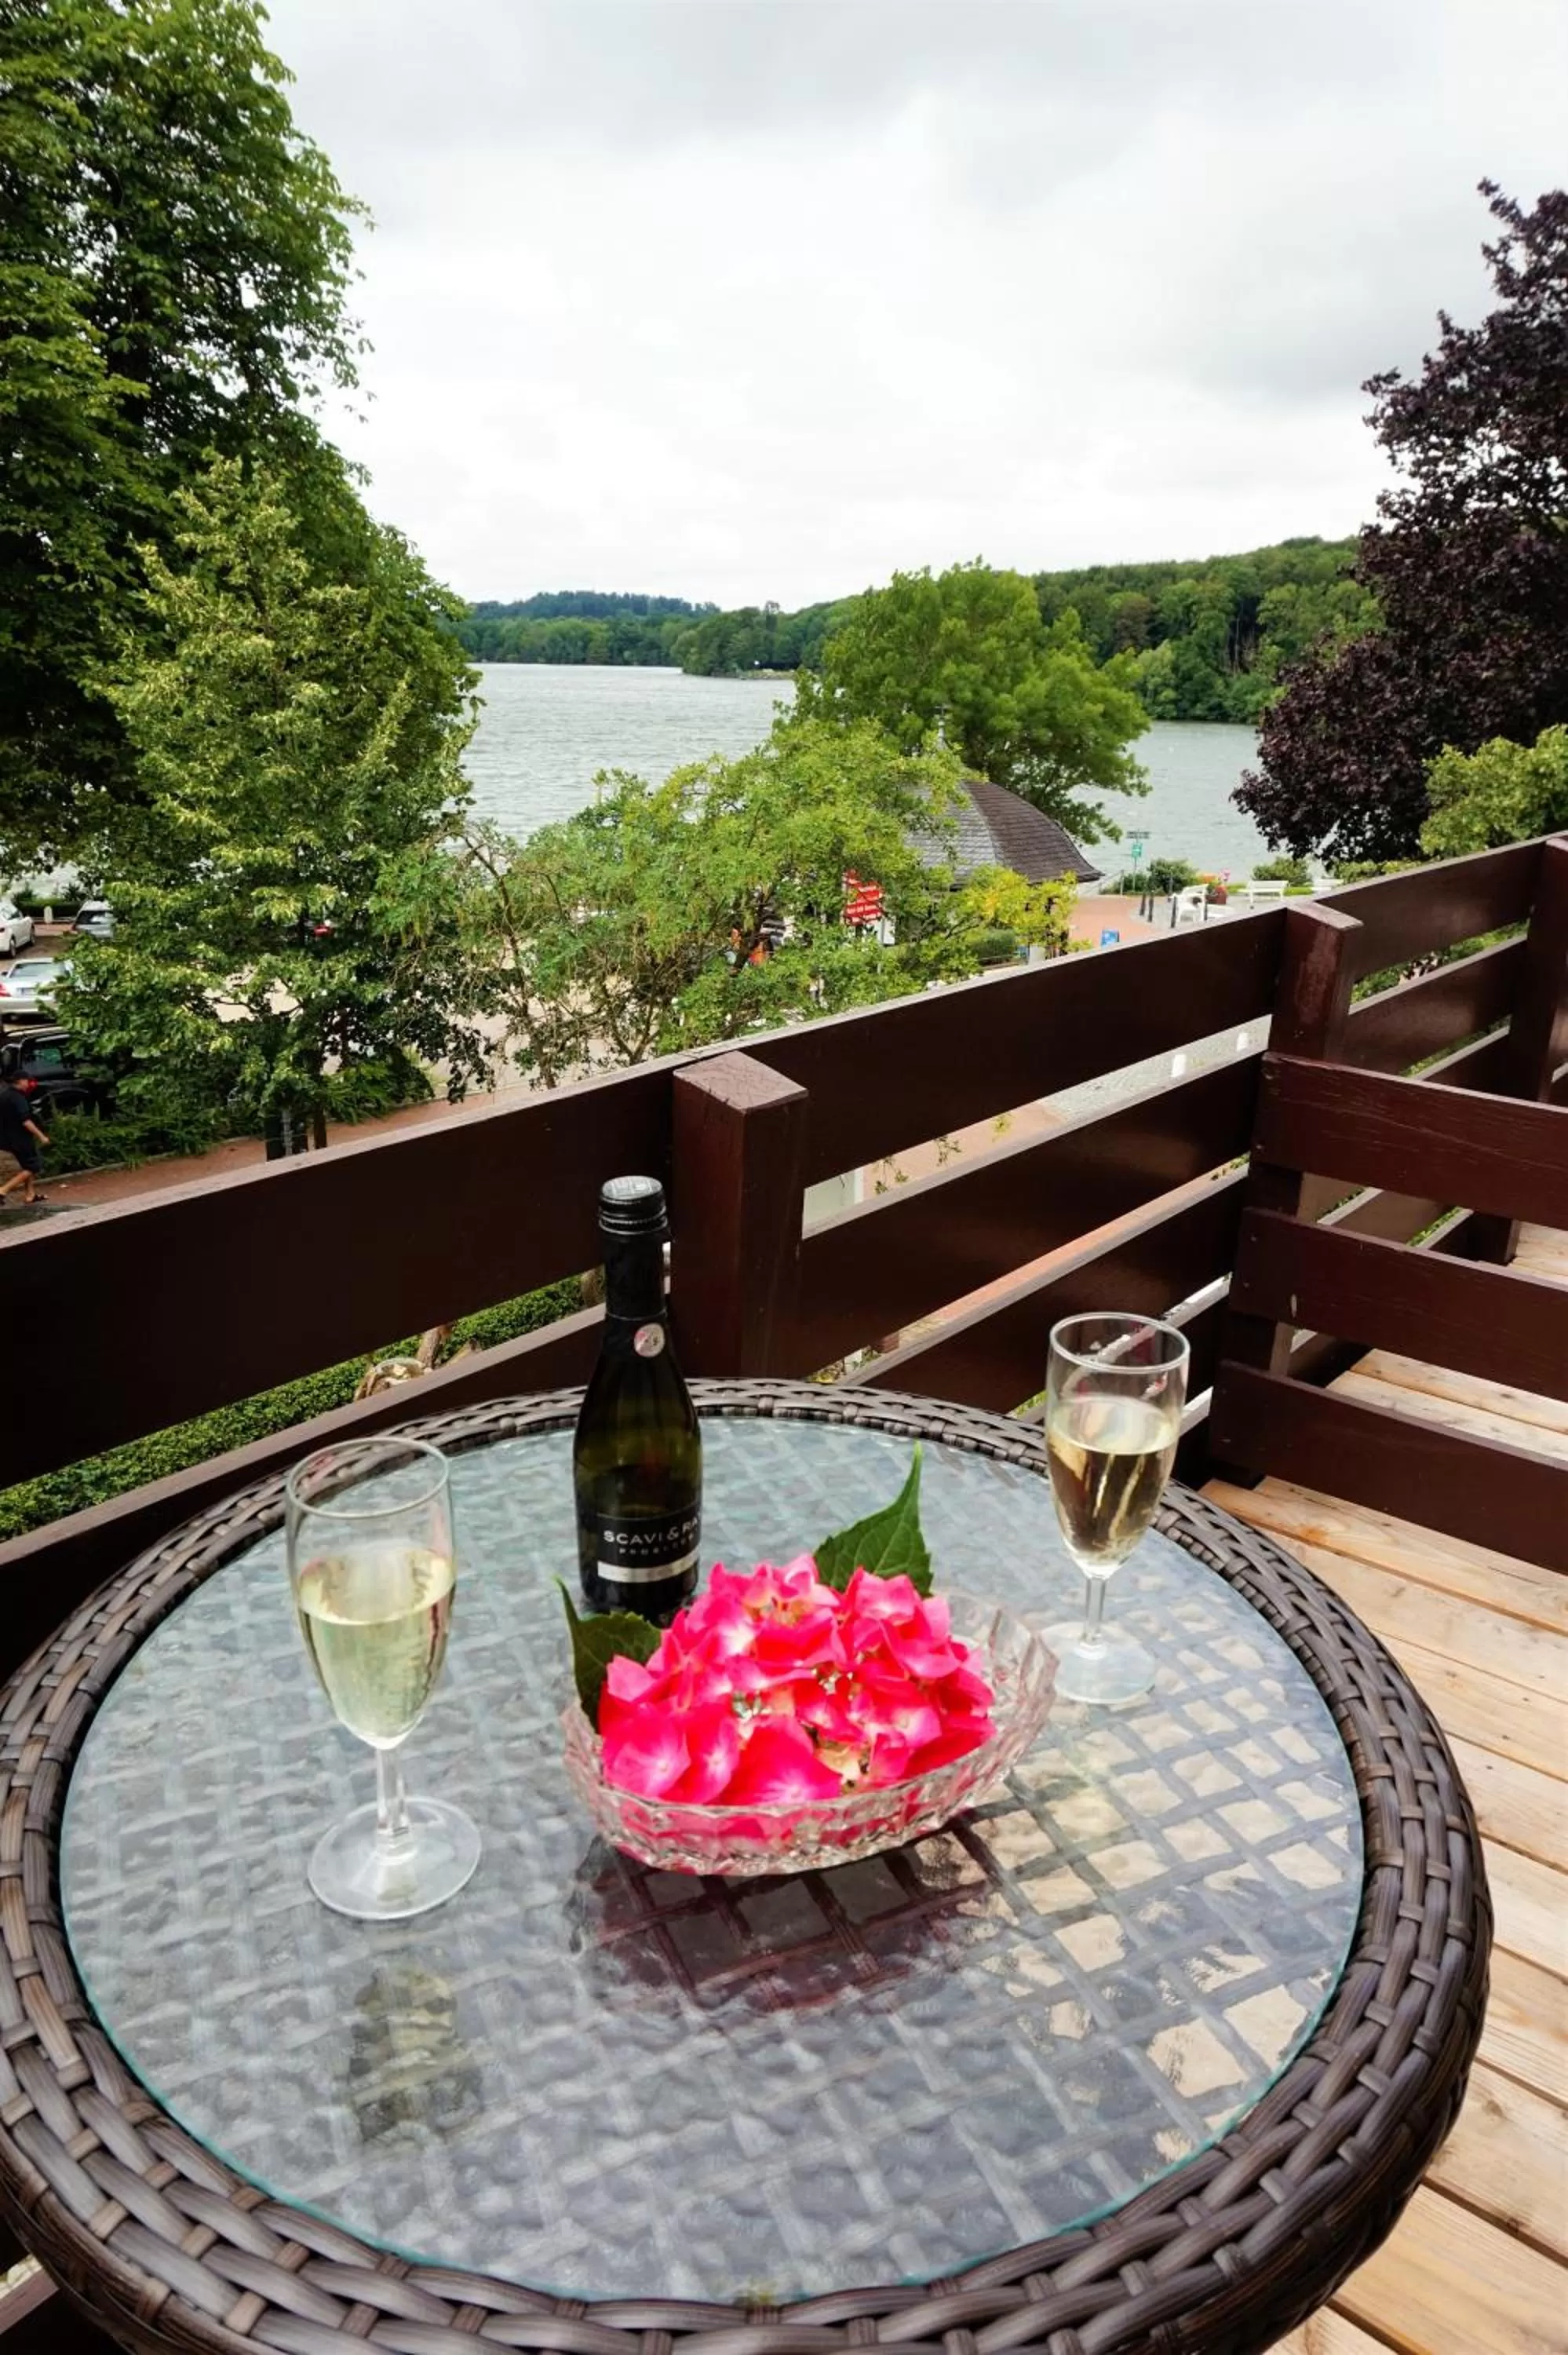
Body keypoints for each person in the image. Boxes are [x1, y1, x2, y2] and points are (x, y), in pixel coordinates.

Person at [0, 1060, 48, 1207]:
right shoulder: (18, 1098)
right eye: (27, 1081)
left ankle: (30, 1195)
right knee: (34, 1166)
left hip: (6, 1138)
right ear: (20, 1081)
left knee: (28, 1165)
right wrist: (42, 1136)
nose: (29, 1084)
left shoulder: (4, 1095)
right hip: (20, 1138)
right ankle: (3, 1190)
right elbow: (26, 1121)